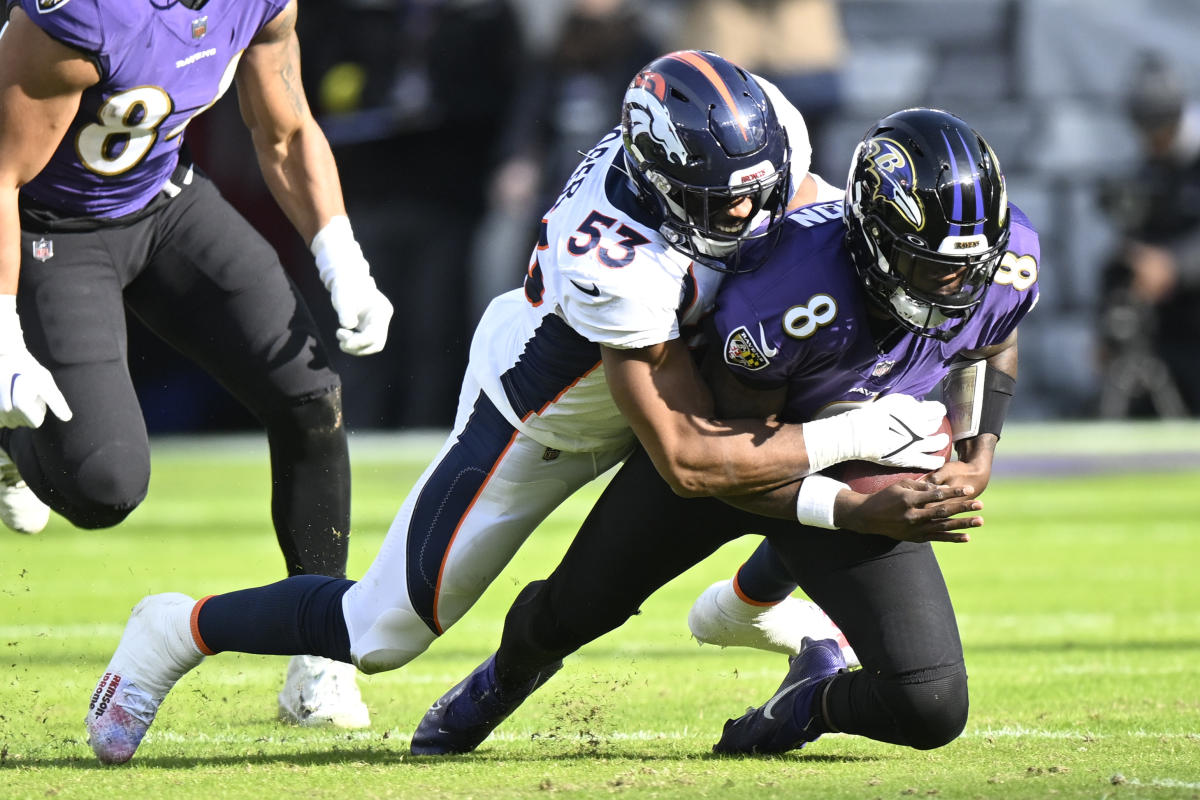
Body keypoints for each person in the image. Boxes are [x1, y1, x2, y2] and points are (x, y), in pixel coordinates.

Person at [80, 51, 962, 765]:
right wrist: (852, 433)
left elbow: (803, 223)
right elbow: (691, 457)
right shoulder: (615, 255)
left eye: (754, 188)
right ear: (658, 183)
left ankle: (758, 602)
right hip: (549, 418)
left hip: (686, 379)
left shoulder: (762, 130)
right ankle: (179, 628)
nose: (743, 209)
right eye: (718, 198)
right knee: (384, 629)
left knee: (794, 418)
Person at [406, 107, 1041, 757]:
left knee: (929, 704)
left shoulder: (1005, 259)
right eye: (931, 266)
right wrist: (853, 510)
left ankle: (804, 702)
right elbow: (717, 465)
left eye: (968, 266)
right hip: (734, 458)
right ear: (872, 236)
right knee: (574, 611)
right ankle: (504, 677)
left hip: (859, 456)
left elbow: (993, 337)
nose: (955, 285)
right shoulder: (791, 292)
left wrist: (977, 448)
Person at [0, 0, 394, 728]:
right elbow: (1, 176)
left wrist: (342, 256)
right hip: (50, 227)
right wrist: (3, 336)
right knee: (102, 487)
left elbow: (285, 126)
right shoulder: (83, 14)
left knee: (310, 395)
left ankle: (320, 654)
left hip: (162, 200)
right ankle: (9, 442)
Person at [1096, 51, 1200, 417]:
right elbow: (1128, 255)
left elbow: (1167, 261)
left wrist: (1175, 265)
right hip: (1164, 332)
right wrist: (1107, 328)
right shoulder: (1148, 173)